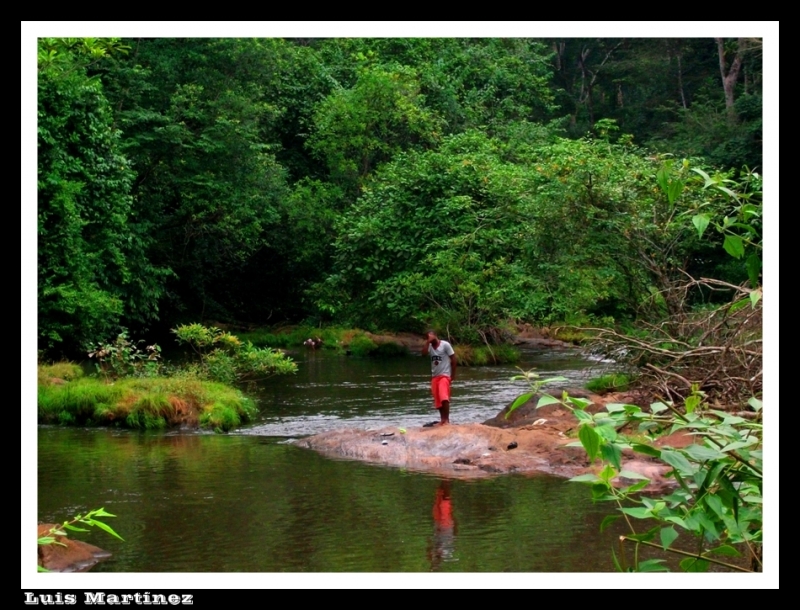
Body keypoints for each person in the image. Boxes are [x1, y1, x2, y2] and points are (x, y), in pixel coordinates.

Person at [421, 330, 457, 425]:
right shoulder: (429, 346)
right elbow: (423, 354)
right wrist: (428, 342)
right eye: (428, 337)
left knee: (444, 397)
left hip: (444, 375)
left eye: (431, 336)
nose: (430, 338)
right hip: (435, 376)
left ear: (436, 335)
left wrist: (452, 375)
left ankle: (447, 420)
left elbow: (453, 359)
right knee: (437, 399)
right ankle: (442, 419)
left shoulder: (445, 345)